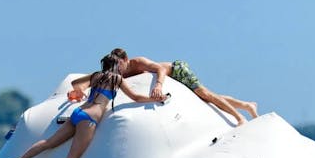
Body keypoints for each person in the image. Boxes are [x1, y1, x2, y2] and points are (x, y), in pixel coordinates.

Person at [10, 53, 161, 158]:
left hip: (78, 112)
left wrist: (80, 91)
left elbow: (75, 83)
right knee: (73, 156)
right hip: (89, 119)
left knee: (49, 142)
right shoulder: (117, 79)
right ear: (116, 66)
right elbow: (135, 97)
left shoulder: (96, 76)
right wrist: (154, 98)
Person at [107, 48, 258, 126]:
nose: (117, 69)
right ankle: (247, 105)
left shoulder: (137, 62)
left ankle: (239, 117)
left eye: (119, 64)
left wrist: (158, 85)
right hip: (172, 80)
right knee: (205, 98)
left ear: (125, 59)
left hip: (177, 71)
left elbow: (160, 68)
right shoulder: (121, 74)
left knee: (205, 94)